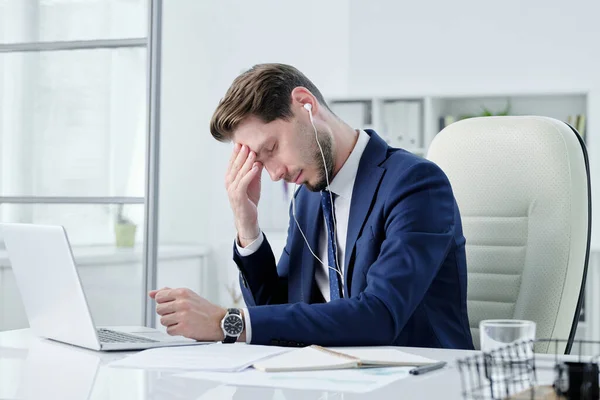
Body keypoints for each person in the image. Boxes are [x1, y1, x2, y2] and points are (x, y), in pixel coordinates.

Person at [150, 63, 474, 349]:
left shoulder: (415, 184)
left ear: (305, 104)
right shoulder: (307, 198)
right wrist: (246, 226)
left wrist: (227, 323)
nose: (275, 174)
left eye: (272, 148)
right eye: (260, 162)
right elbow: (279, 309)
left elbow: (381, 315)